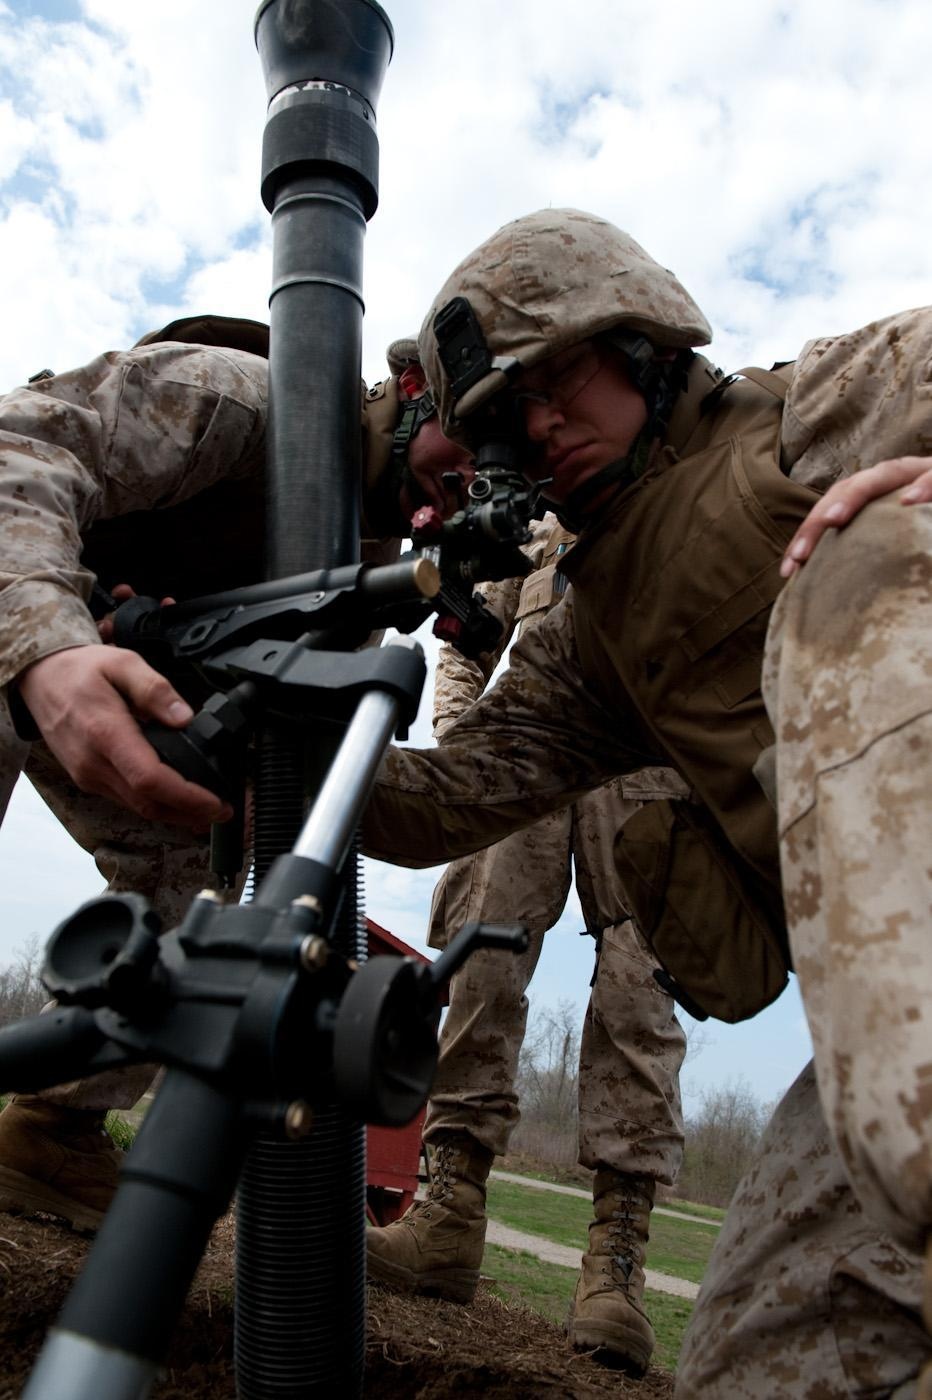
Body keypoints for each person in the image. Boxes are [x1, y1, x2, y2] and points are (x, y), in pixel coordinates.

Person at [360, 209, 932, 1395]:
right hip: (883, 1061)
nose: (538, 426)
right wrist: (248, 725)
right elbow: (443, 799)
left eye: (550, 379)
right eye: (506, 417)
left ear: (631, 335)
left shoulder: (810, 409)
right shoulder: (589, 636)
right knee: (753, 1359)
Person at [0, 315, 474, 1231]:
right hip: (28, 626)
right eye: (479, 430)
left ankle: (52, 1131)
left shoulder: (364, 567)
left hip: (129, 692)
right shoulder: (242, 397)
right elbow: (19, 447)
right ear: (418, 393)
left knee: (196, 884)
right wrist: (48, 641)